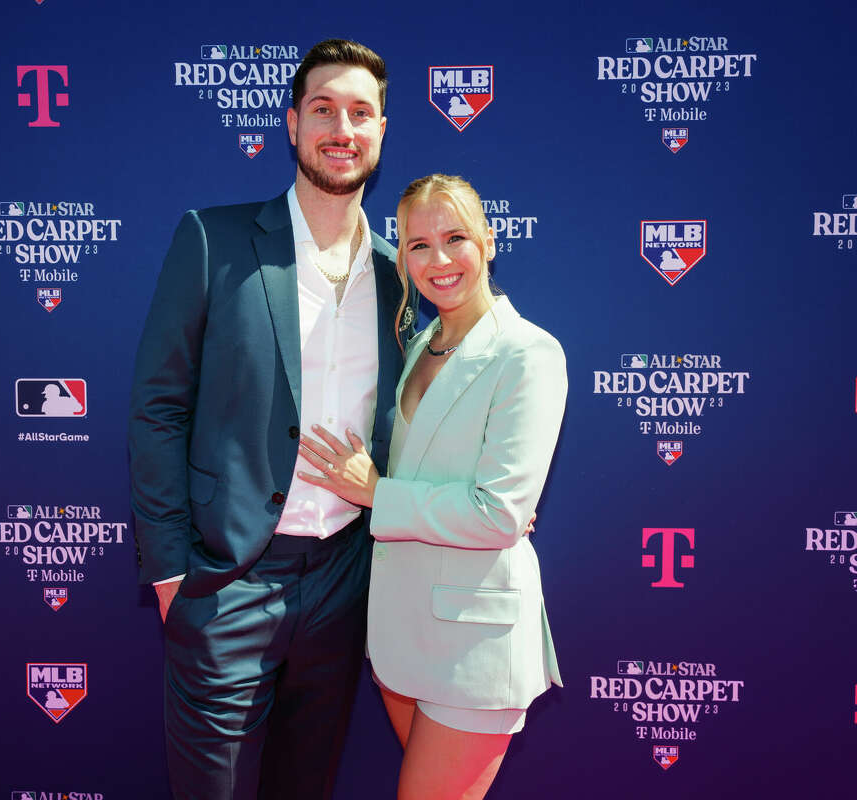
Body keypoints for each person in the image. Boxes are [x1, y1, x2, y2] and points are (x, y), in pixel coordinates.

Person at [128, 39, 416, 800]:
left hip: (344, 582)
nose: (341, 128)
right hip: (228, 578)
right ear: (291, 124)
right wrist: (169, 572)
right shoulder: (212, 240)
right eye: (323, 109)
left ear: (382, 131)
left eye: (360, 113)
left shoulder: (400, 276)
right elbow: (158, 406)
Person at [298, 174, 566, 799]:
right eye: (417, 245)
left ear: (489, 241)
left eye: (455, 239)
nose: (438, 260)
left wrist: (377, 492)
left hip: (473, 643)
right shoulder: (421, 344)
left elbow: (500, 514)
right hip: (403, 637)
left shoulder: (528, 354)